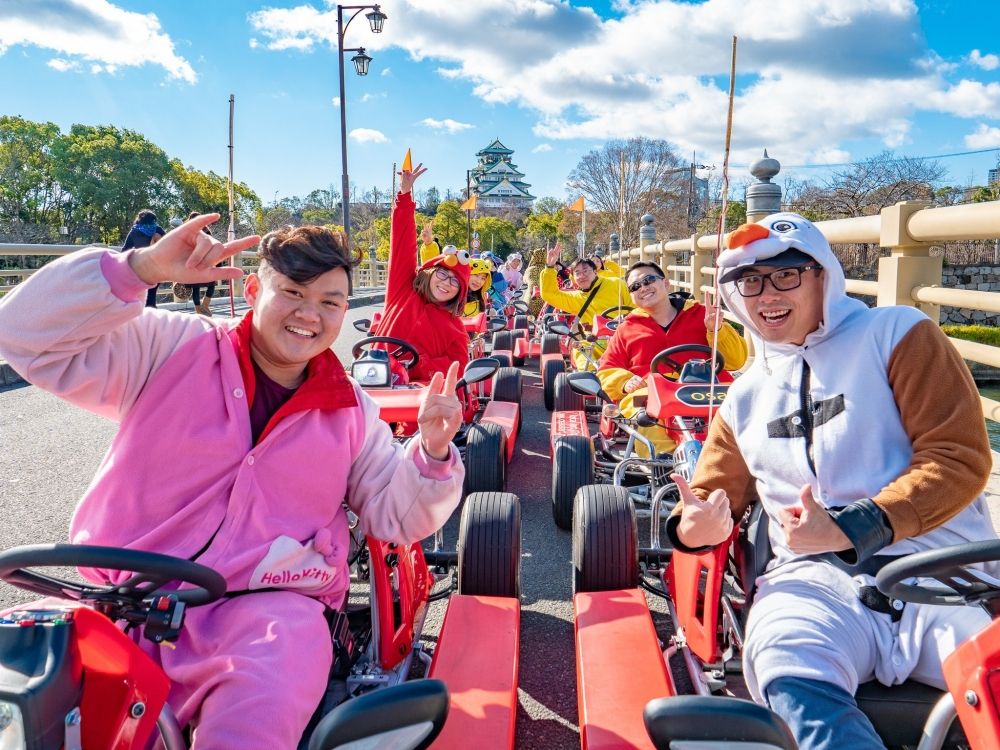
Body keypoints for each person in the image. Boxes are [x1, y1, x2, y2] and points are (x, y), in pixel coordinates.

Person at [0, 215, 466, 748]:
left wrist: (431, 452)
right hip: (117, 597)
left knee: (256, 712)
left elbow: (397, 516)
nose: (309, 315)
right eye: (292, 291)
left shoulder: (351, 412)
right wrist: (139, 269)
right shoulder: (169, 348)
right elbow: (21, 334)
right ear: (252, 288)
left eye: (330, 302)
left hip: (265, 611)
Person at [666, 213, 996, 750]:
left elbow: (957, 458)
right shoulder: (744, 394)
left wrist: (854, 527)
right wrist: (695, 524)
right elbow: (708, 494)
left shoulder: (899, 334)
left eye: (785, 275)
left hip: (940, 575)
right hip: (811, 584)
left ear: (824, 274)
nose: (765, 294)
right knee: (784, 657)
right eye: (748, 281)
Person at [597, 260, 747, 455]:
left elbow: (738, 361)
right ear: (631, 296)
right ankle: (668, 469)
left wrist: (717, 329)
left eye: (648, 280)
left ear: (665, 283)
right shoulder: (627, 328)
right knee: (646, 420)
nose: (643, 288)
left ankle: (737, 466)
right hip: (651, 394)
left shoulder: (701, 313)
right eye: (635, 287)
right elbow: (606, 369)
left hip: (706, 389)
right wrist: (625, 381)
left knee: (739, 416)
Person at [373, 163, 470, 382]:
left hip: (418, 398)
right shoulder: (403, 291)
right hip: (375, 382)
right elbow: (402, 244)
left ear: (460, 292)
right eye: (443, 274)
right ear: (430, 273)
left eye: (455, 281)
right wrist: (405, 196)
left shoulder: (456, 330)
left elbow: (458, 369)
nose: (447, 282)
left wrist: (418, 364)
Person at [540, 242, 631, 370]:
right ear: (572, 278)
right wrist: (549, 267)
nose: (582, 276)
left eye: (585, 271)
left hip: (624, 339)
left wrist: (625, 318)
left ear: (595, 271)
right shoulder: (575, 297)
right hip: (593, 343)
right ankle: (591, 383)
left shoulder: (617, 284)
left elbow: (635, 308)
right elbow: (549, 295)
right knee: (581, 356)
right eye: (577, 273)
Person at [121, 209, 166, 307]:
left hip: (140, 266)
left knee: (143, 294)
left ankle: (145, 315)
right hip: (157, 266)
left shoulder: (134, 231)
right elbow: (169, 244)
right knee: (152, 293)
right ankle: (151, 313)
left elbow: (125, 250)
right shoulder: (157, 229)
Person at [185, 210, 217, 317]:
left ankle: (204, 306)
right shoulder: (188, 232)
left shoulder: (205, 230)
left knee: (211, 284)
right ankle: (199, 310)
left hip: (204, 260)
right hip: (195, 260)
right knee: (196, 287)